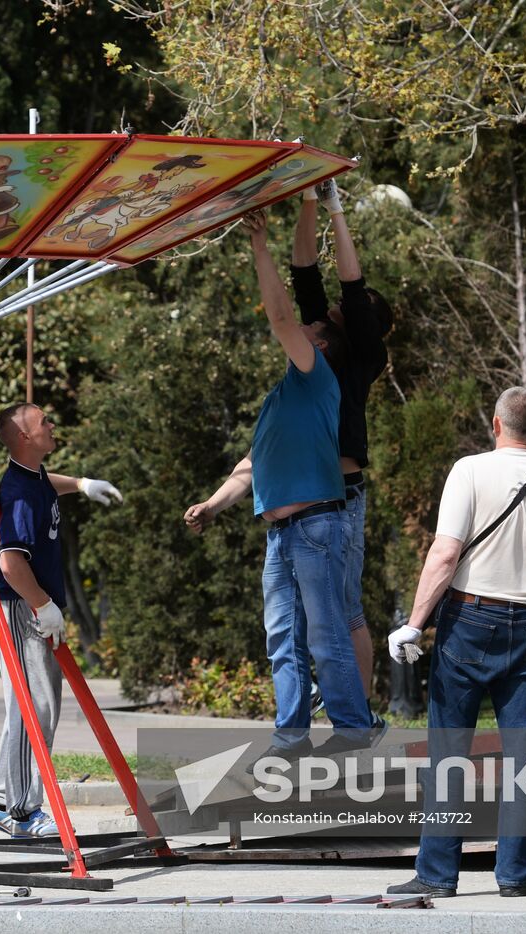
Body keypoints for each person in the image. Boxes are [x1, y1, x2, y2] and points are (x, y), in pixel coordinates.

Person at [184, 209, 383, 760]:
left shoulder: (316, 377)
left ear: (318, 348)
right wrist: (215, 506)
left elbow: (279, 315)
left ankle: (351, 730)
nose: (305, 327)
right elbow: (252, 465)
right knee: (284, 642)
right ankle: (290, 738)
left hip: (318, 524)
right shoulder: (282, 399)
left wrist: (260, 246)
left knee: (327, 634)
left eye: (310, 331)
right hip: (281, 532)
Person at [385, 387, 526, 898]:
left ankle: (437, 873)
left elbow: (444, 554)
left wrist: (415, 621)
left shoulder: (469, 470)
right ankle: (516, 875)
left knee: (450, 751)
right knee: (523, 756)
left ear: (496, 425)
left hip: (470, 620)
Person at [0, 402, 122, 838]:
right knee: (33, 707)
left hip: (31, 606)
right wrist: (41, 605)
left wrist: (79, 484)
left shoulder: (34, 478)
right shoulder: (20, 493)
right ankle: (19, 812)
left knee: (35, 706)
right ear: (24, 436)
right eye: (44, 422)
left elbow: (47, 486)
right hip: (24, 607)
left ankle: (1, 799)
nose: (52, 425)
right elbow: (10, 563)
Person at [291, 179, 393, 700]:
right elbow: (305, 268)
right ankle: (342, 706)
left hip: (342, 493)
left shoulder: (365, 354)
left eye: (358, 308)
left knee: (346, 609)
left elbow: (353, 287)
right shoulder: (320, 335)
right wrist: (308, 200)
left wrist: (337, 210)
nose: (339, 306)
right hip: (305, 492)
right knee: (310, 611)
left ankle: (360, 706)